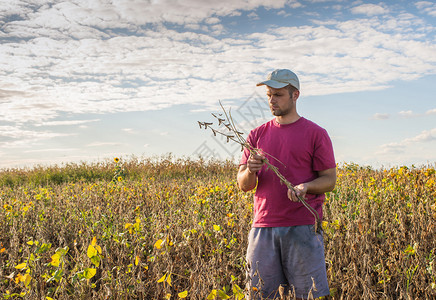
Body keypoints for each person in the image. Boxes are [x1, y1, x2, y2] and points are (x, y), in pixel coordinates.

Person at [237, 69, 336, 299]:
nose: (272, 100)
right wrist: (250, 170)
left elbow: (329, 180)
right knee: (259, 295)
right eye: (269, 95)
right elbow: (243, 184)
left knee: (310, 295)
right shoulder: (256, 135)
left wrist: (306, 187)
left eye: (278, 95)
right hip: (263, 227)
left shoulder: (316, 133)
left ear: (295, 95)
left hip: (302, 227)